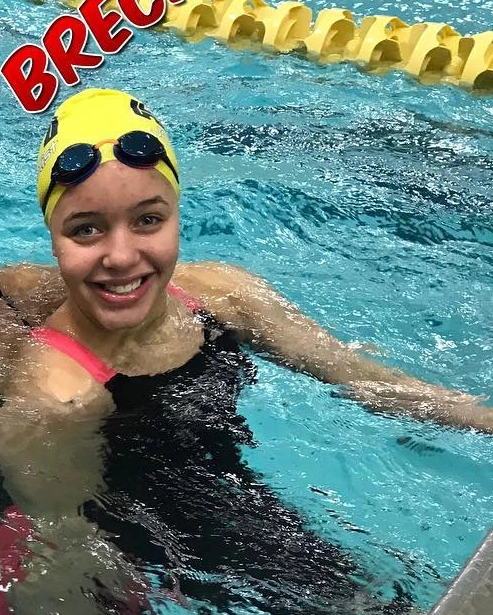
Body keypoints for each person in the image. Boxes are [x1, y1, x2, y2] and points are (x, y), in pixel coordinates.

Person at [0, 87, 490, 615]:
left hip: (250, 514)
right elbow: (66, 555)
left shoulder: (223, 293)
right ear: (53, 238)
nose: (121, 256)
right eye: (86, 229)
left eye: (148, 220)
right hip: (168, 567)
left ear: (178, 215)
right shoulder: (56, 398)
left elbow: (365, 379)